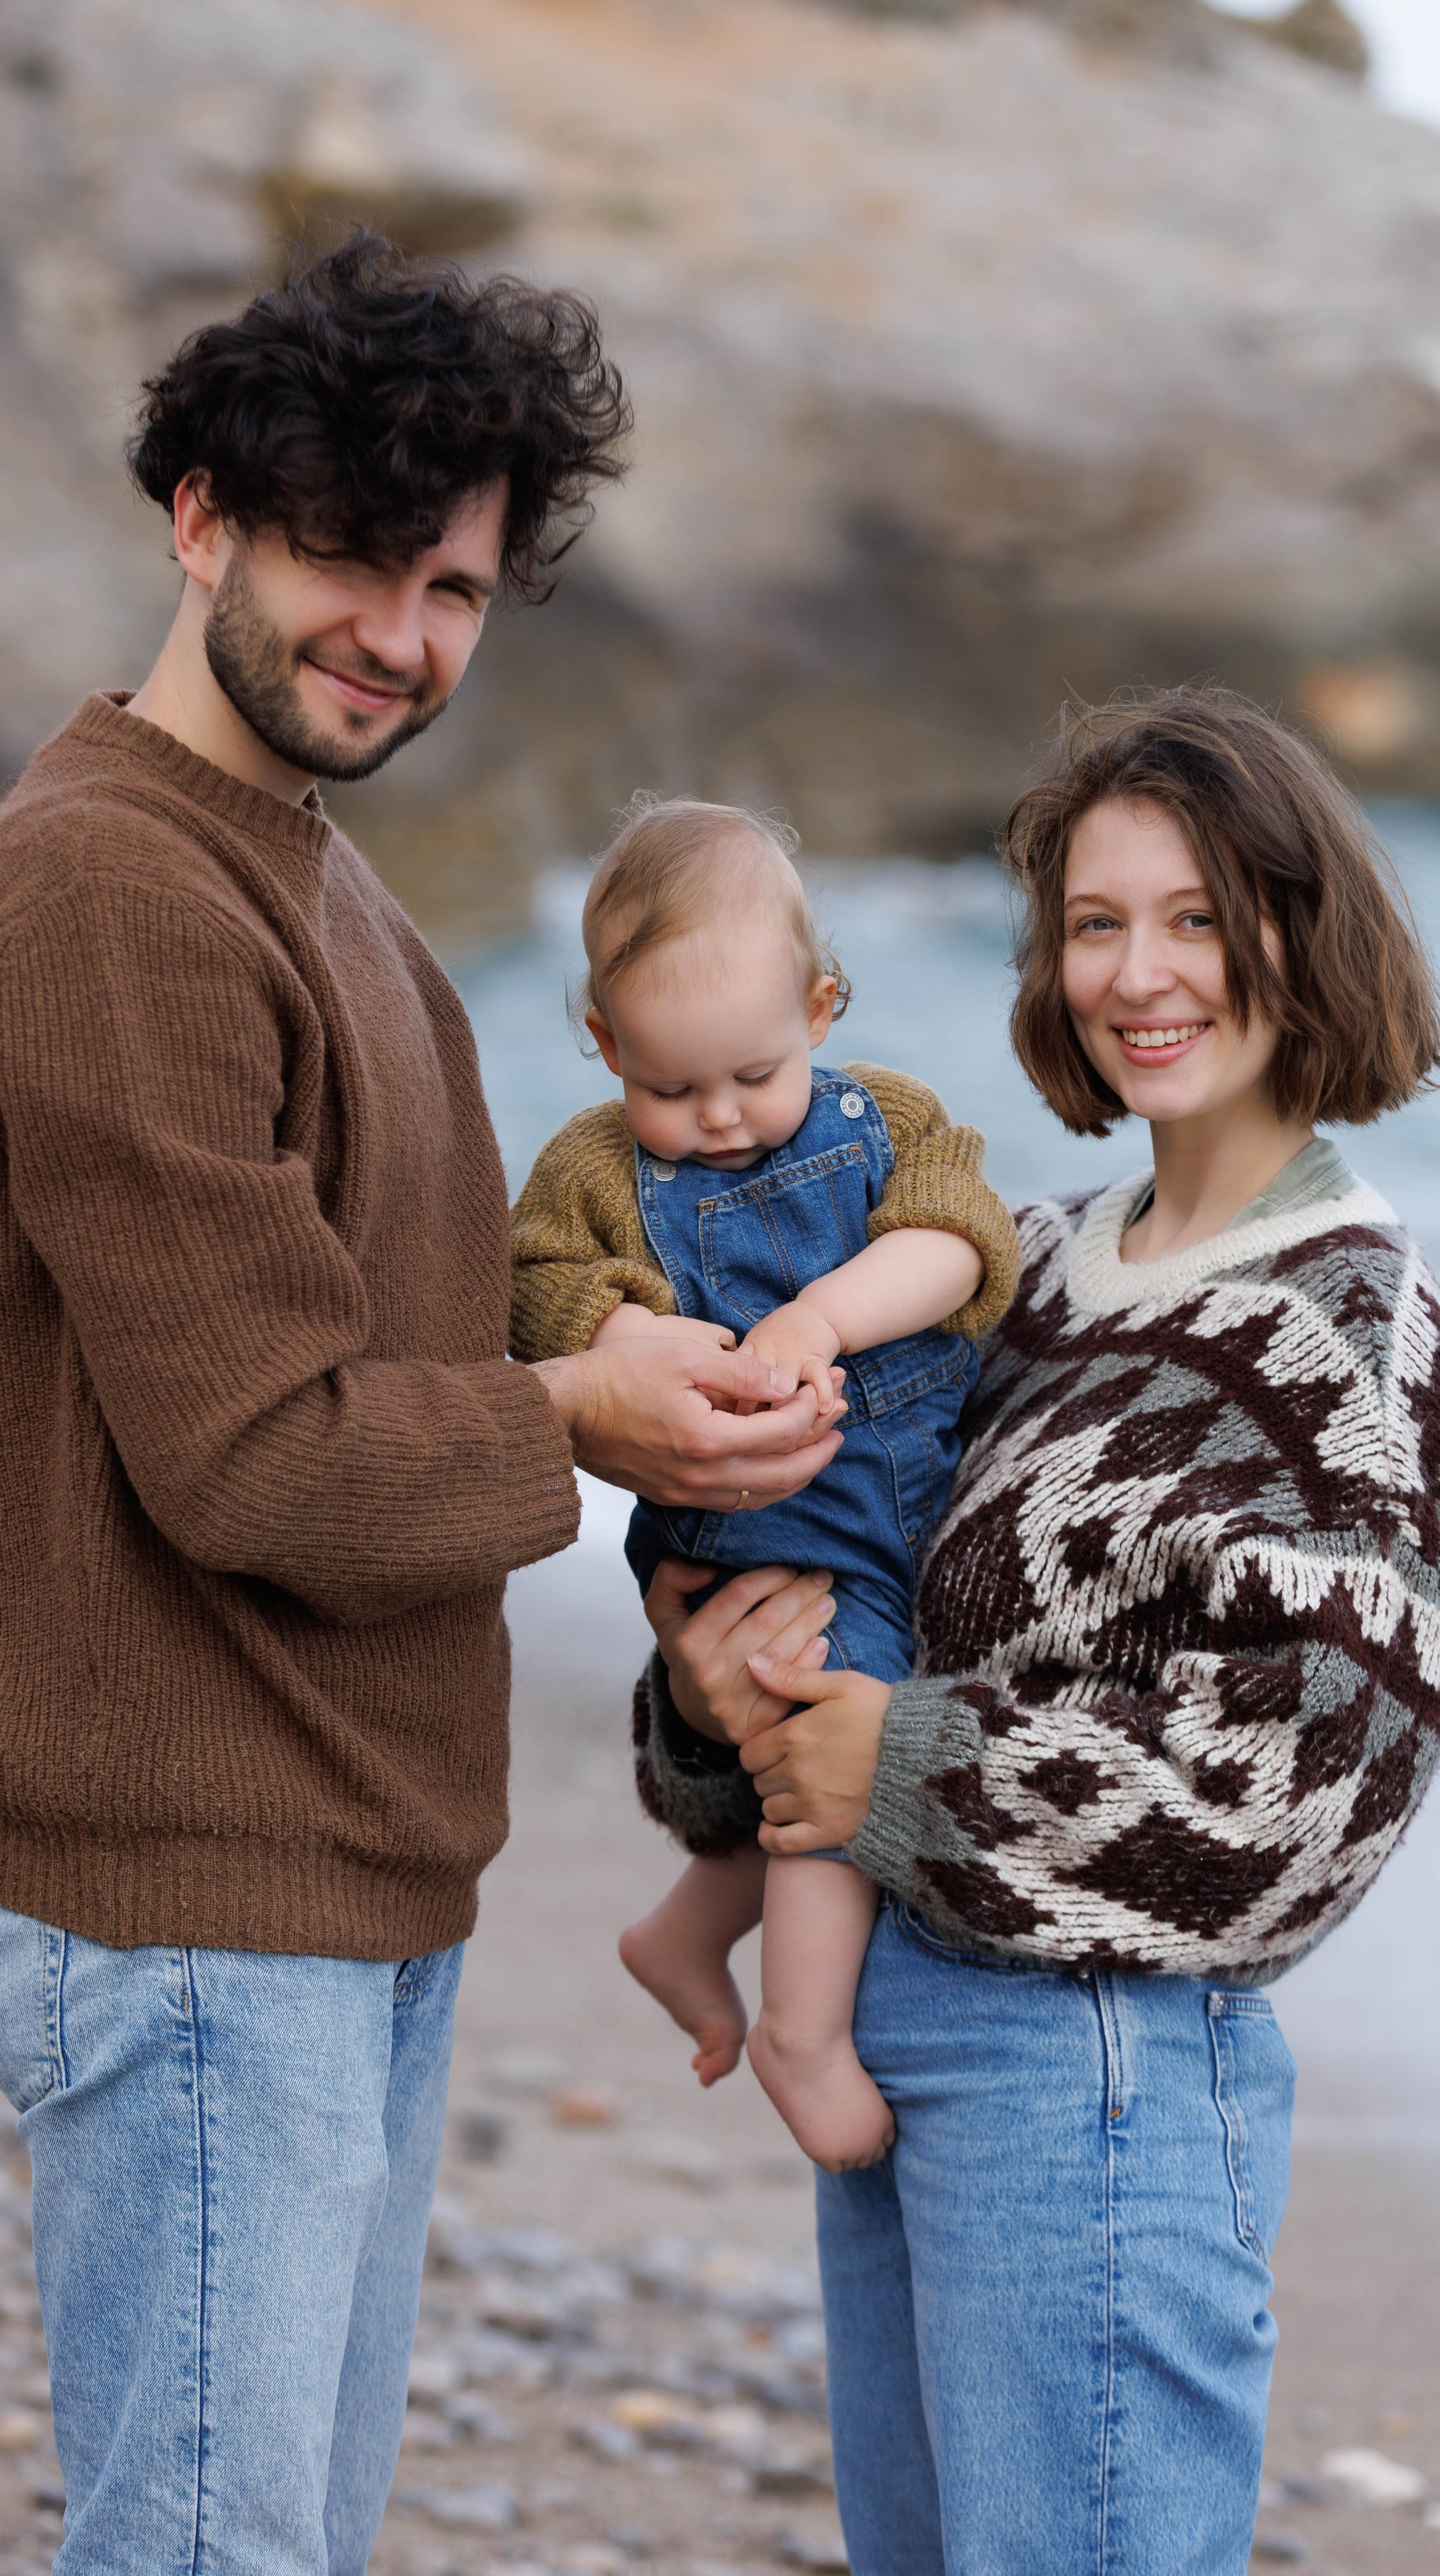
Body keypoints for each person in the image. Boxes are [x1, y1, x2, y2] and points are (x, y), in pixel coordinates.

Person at [0, 235, 849, 2576]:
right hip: (195, 1907)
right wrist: (590, 1423)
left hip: (329, 1888)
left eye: (455, 587)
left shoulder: (314, 892)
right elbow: (265, 1459)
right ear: (202, 512)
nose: (402, 638)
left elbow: (410, 1356)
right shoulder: (116, 899)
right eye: (352, 553)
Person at [631, 688, 1440, 2576]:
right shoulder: (1018, 1270)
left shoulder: (1355, 1337)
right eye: (1096, 922)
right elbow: (836, 1572)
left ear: (1304, 927)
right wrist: (717, 1696)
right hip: (894, 2032)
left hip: (1094, 2075)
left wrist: (902, 1774)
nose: (1139, 971)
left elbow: (1306, 1802)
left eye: (1197, 914)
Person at [509, 798, 1020, 2168]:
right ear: (606, 1045)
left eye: (752, 1073)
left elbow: (961, 1246)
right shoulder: (591, 1169)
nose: (720, 1120)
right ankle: (804, 2035)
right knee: (828, 1741)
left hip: (895, 1505)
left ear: (822, 1003)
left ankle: (684, 1930)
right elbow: (543, 1289)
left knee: (808, 1721)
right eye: (669, 1089)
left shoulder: (887, 1121)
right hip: (762, 1530)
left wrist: (817, 1323)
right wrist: (634, 1343)